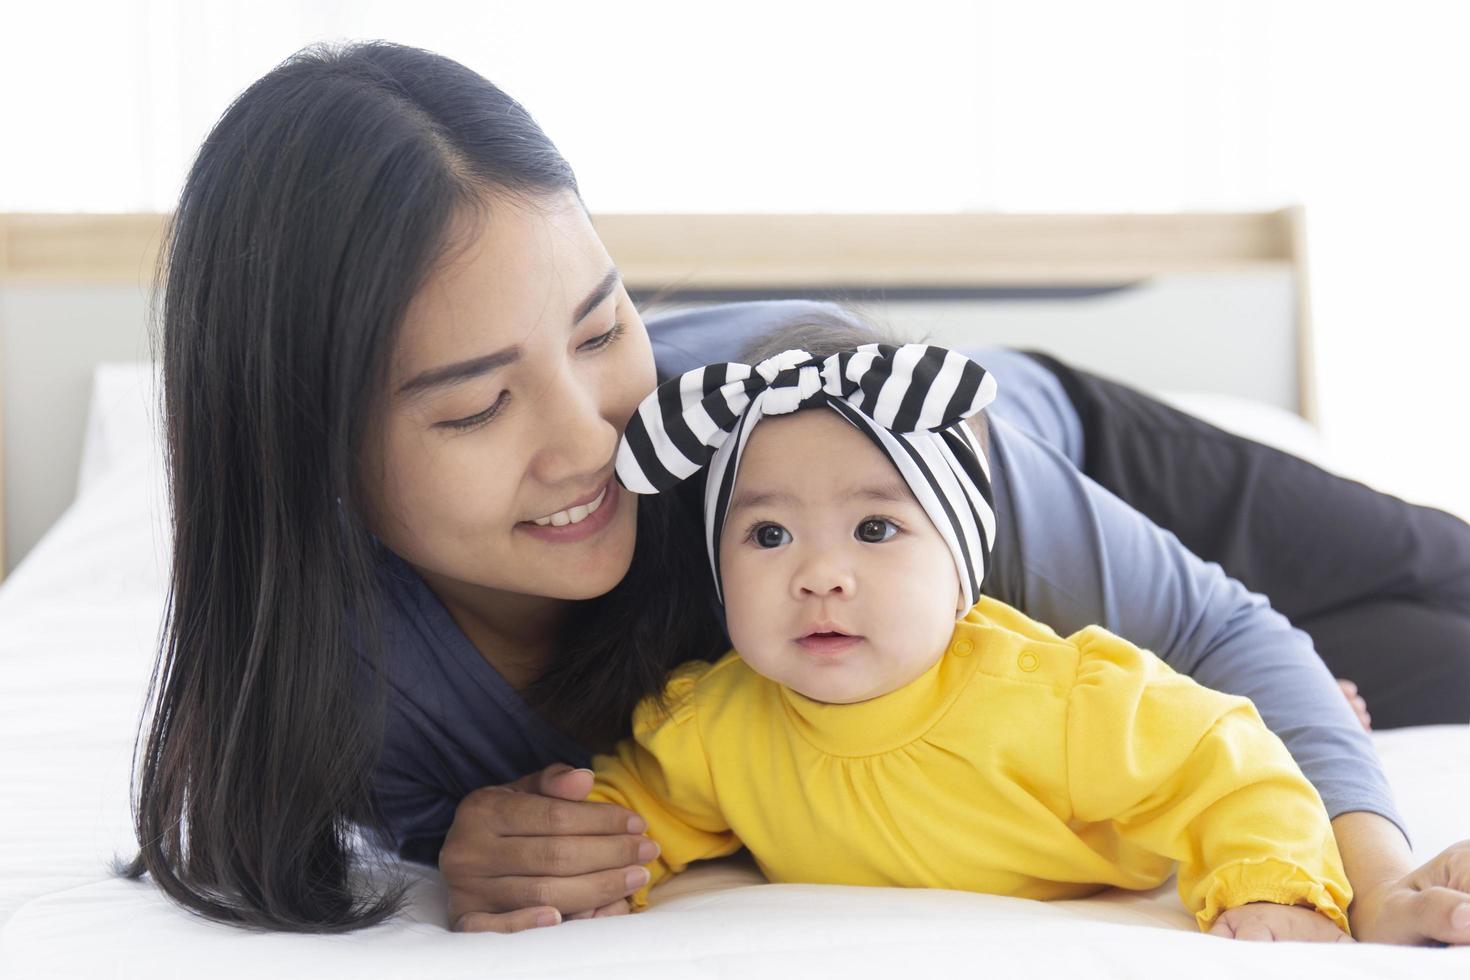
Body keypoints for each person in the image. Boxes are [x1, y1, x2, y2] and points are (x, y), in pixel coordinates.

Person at [119, 40, 1470, 943]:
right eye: (476, 405)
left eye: (600, 331)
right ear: (309, 452)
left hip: (1041, 456)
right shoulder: (349, 682)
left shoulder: (793, 432)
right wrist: (480, 847)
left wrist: (1377, 874)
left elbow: (1221, 638)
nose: (590, 438)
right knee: (1430, 668)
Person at [586, 337, 1353, 941]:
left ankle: (1338, 688)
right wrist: (588, 869)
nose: (820, 575)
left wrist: (1274, 883)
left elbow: (1224, 766)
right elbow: (636, 806)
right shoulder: (712, 726)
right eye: (769, 532)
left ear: (961, 577)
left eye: (876, 528)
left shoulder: (1061, 704)